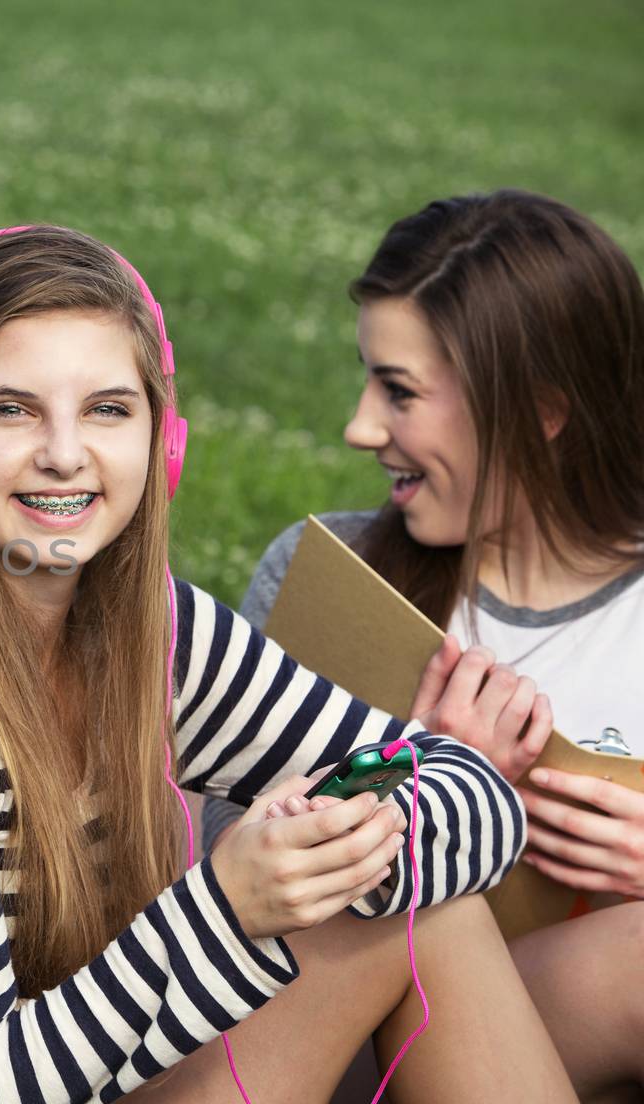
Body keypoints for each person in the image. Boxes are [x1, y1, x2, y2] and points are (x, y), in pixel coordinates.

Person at [0, 225, 575, 1102]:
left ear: (164, 438)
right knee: (408, 914)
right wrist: (229, 906)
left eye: (108, 409)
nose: (66, 454)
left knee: (423, 912)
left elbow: (472, 793)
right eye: (11, 409)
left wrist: (344, 847)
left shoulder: (158, 630)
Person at [213, 190, 644, 1102]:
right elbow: (225, 889)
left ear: (540, 412)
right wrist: (421, 780)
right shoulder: (329, 581)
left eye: (399, 392)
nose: (361, 429)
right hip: (328, 1032)